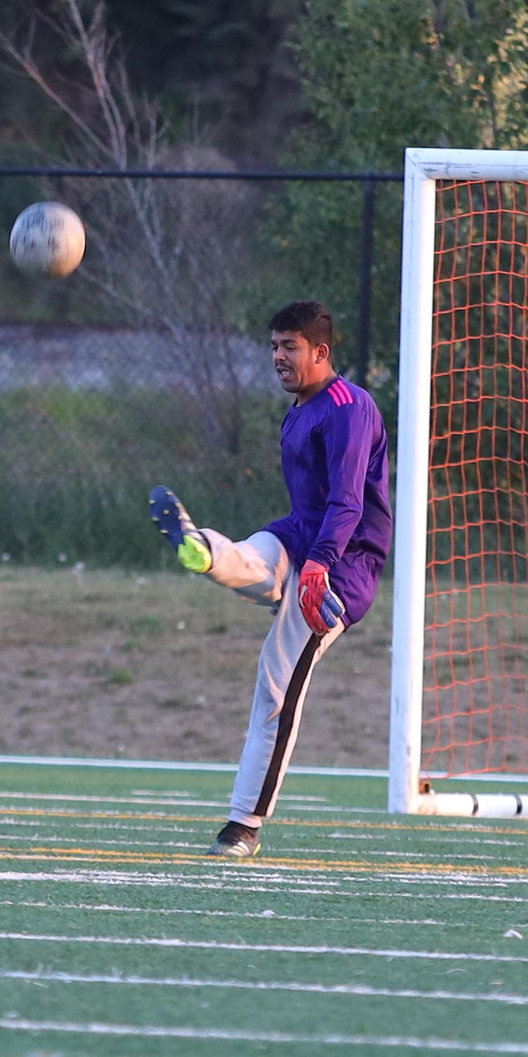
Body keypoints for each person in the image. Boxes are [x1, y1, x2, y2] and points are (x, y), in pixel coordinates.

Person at [151, 299, 390, 859]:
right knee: (246, 559)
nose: (278, 357)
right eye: (274, 346)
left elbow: (348, 503)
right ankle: (201, 549)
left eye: (290, 347)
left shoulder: (349, 408)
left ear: (321, 351)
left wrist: (319, 565)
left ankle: (244, 825)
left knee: (275, 688)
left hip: (339, 569)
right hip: (300, 540)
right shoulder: (300, 408)